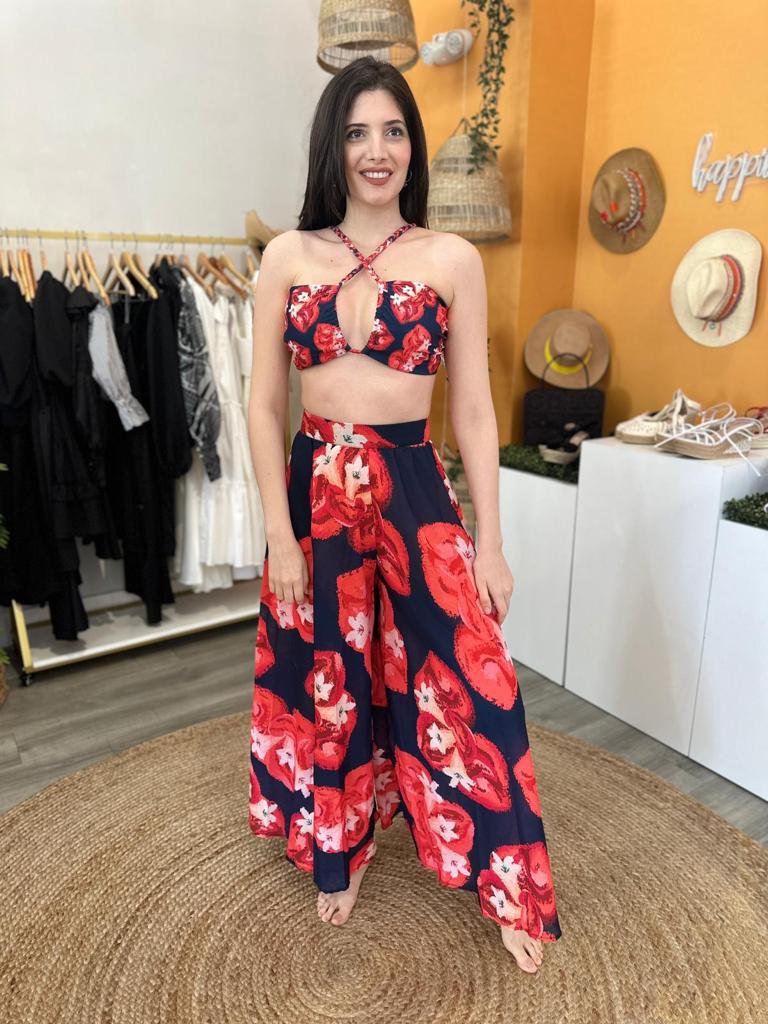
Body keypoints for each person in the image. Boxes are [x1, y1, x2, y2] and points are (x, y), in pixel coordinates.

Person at [247, 55, 561, 974]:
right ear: (332, 146)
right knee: (332, 679)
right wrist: (278, 535)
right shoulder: (287, 256)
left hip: (415, 487)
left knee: (474, 679)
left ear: (413, 146)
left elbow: (475, 412)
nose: (376, 150)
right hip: (315, 492)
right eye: (357, 132)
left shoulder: (452, 259)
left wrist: (491, 545)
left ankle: (508, 884)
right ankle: (338, 849)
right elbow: (263, 405)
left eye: (392, 131)